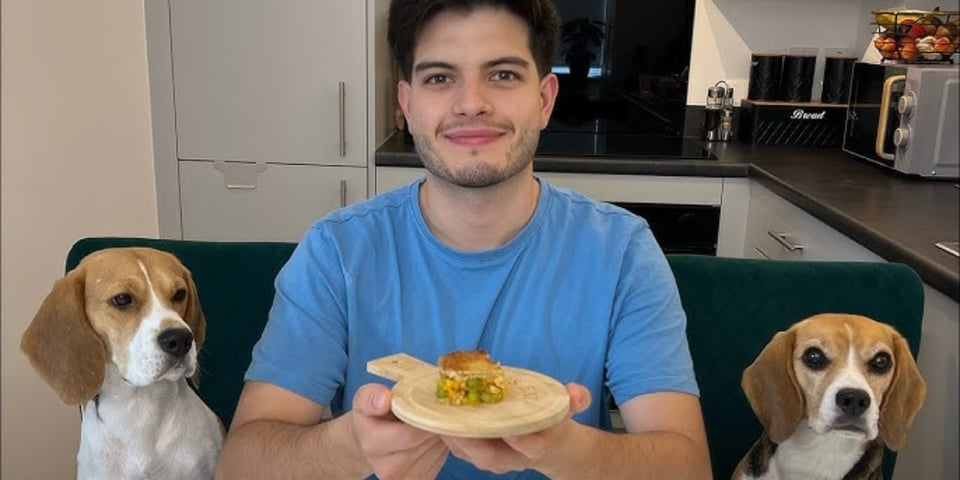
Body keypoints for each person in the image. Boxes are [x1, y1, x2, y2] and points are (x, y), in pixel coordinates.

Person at [215, 0, 713, 478]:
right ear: (408, 105)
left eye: (502, 75)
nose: (472, 103)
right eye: (439, 77)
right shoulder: (336, 253)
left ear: (543, 101)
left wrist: (566, 450)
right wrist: (350, 447)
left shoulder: (622, 252)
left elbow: (688, 467)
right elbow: (240, 466)